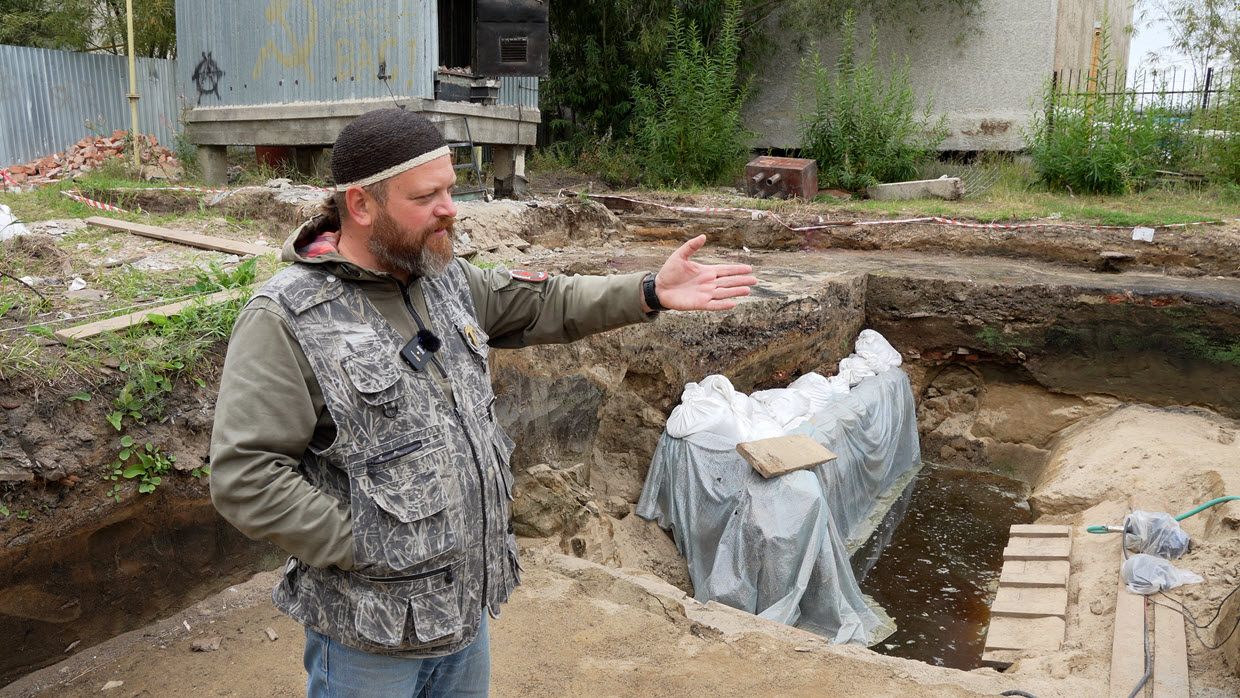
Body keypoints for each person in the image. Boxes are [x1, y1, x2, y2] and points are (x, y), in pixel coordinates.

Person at [209, 108, 757, 697]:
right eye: (427, 196)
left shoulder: (444, 278)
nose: (450, 208)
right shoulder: (286, 318)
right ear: (361, 205)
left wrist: (649, 291)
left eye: (450, 189)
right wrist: (367, 543)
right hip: (369, 637)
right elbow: (246, 477)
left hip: (464, 614)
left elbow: (544, 302)